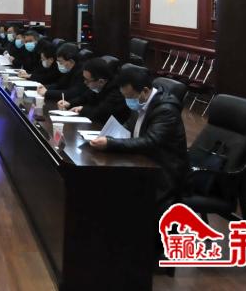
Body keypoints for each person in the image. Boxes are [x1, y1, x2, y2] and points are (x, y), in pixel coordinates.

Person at [90, 67, 189, 212]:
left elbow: (150, 141)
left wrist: (110, 143)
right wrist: (109, 136)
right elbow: (129, 127)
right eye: (125, 96)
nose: (127, 101)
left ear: (145, 91)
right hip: (142, 160)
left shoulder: (166, 110)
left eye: (130, 97)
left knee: (115, 191)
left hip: (163, 171)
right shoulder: (142, 102)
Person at [56, 57, 130, 125]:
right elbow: (84, 97)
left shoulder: (117, 90)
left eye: (87, 80)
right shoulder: (97, 85)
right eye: (84, 79)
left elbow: (100, 113)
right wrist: (69, 103)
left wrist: (82, 109)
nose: (85, 82)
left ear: (101, 81)